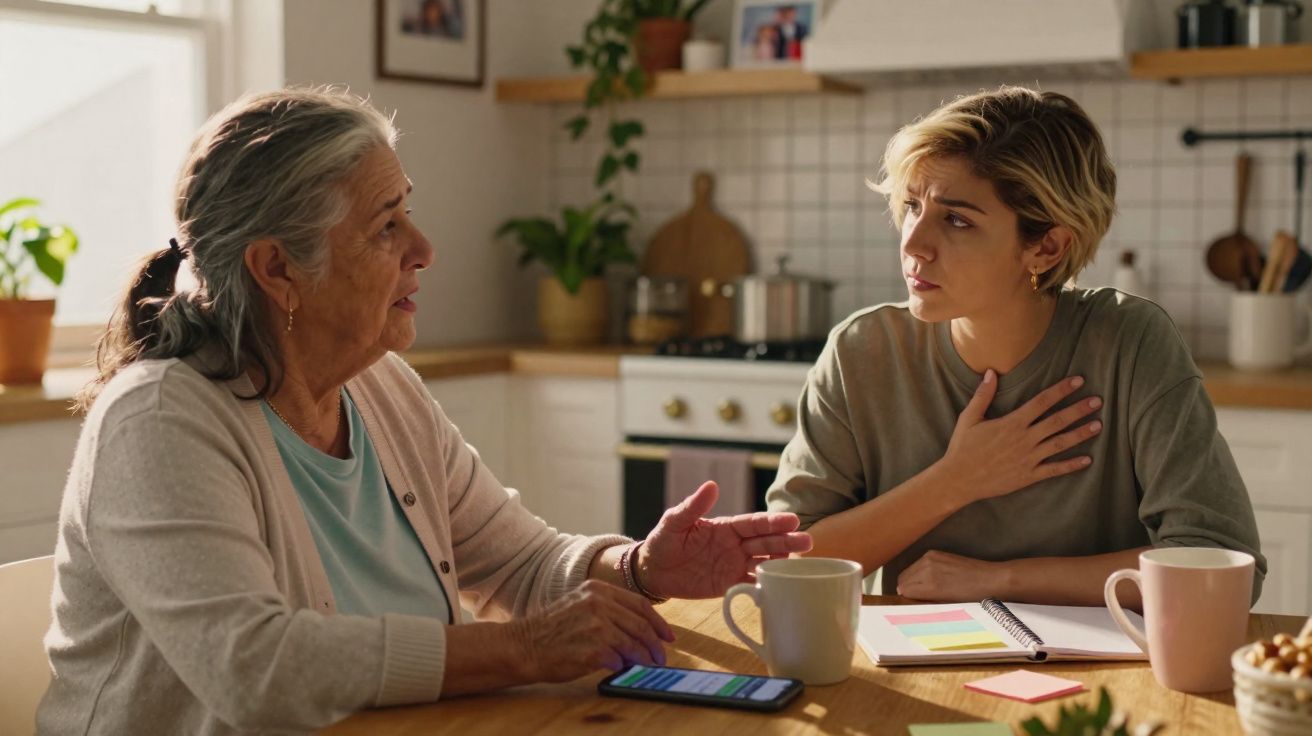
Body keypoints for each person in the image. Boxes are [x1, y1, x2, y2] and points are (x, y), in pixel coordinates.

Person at [38, 87, 811, 735]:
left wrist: (636, 567)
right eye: (385, 226)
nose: (424, 247)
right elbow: (257, 669)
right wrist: (520, 652)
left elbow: (521, 563)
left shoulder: (381, 387)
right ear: (278, 269)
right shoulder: (160, 421)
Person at [765, 86, 1264, 607]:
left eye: (957, 219)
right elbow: (789, 561)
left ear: (1046, 247)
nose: (913, 243)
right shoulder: (861, 353)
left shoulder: (1130, 343)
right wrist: (954, 482)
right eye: (912, 206)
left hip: (1097, 675)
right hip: (911, 667)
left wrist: (999, 579)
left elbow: (1221, 565)